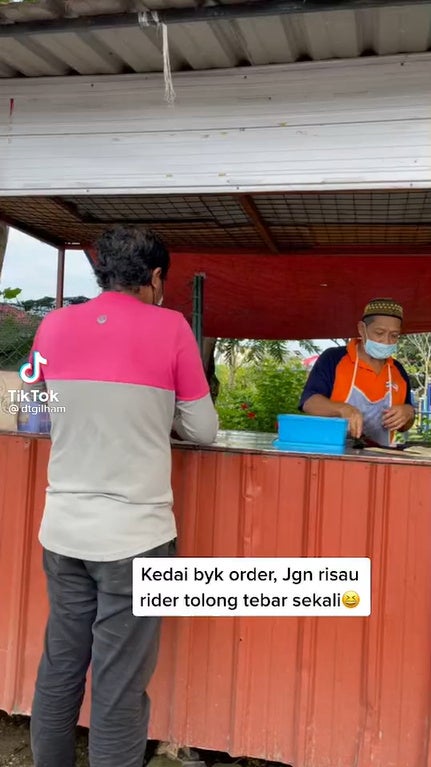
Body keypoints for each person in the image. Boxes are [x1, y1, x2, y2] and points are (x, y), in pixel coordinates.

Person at [27, 227, 219, 767]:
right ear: (156, 278)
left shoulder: (52, 325)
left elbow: (33, 405)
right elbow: (203, 430)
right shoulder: (173, 327)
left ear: (102, 273)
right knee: (118, 687)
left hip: (62, 531)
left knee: (60, 667)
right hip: (135, 538)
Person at [299, 298, 415, 447]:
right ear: (362, 329)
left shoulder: (397, 371)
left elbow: (405, 426)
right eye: (379, 333)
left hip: (378, 461)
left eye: (394, 335)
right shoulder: (334, 359)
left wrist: (408, 413)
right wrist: (342, 409)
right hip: (332, 454)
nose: (386, 341)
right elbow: (309, 402)